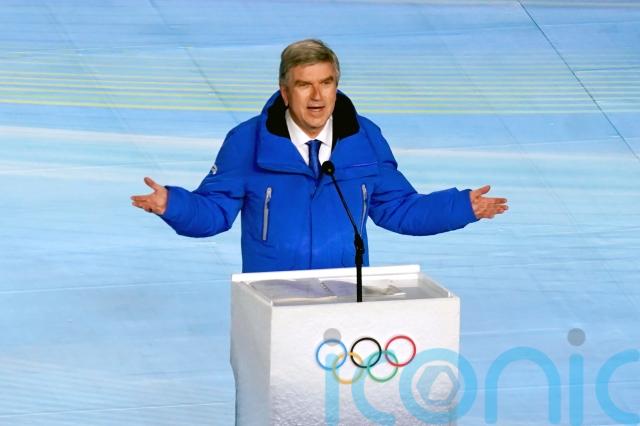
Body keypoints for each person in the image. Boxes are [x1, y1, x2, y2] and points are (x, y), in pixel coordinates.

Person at [131, 39, 508, 273]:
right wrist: (172, 204)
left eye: (326, 83)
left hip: (345, 292)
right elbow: (214, 212)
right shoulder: (247, 141)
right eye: (304, 85)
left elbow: (398, 208)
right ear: (285, 92)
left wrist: (462, 207)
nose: (317, 96)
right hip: (272, 297)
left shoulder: (365, 137)